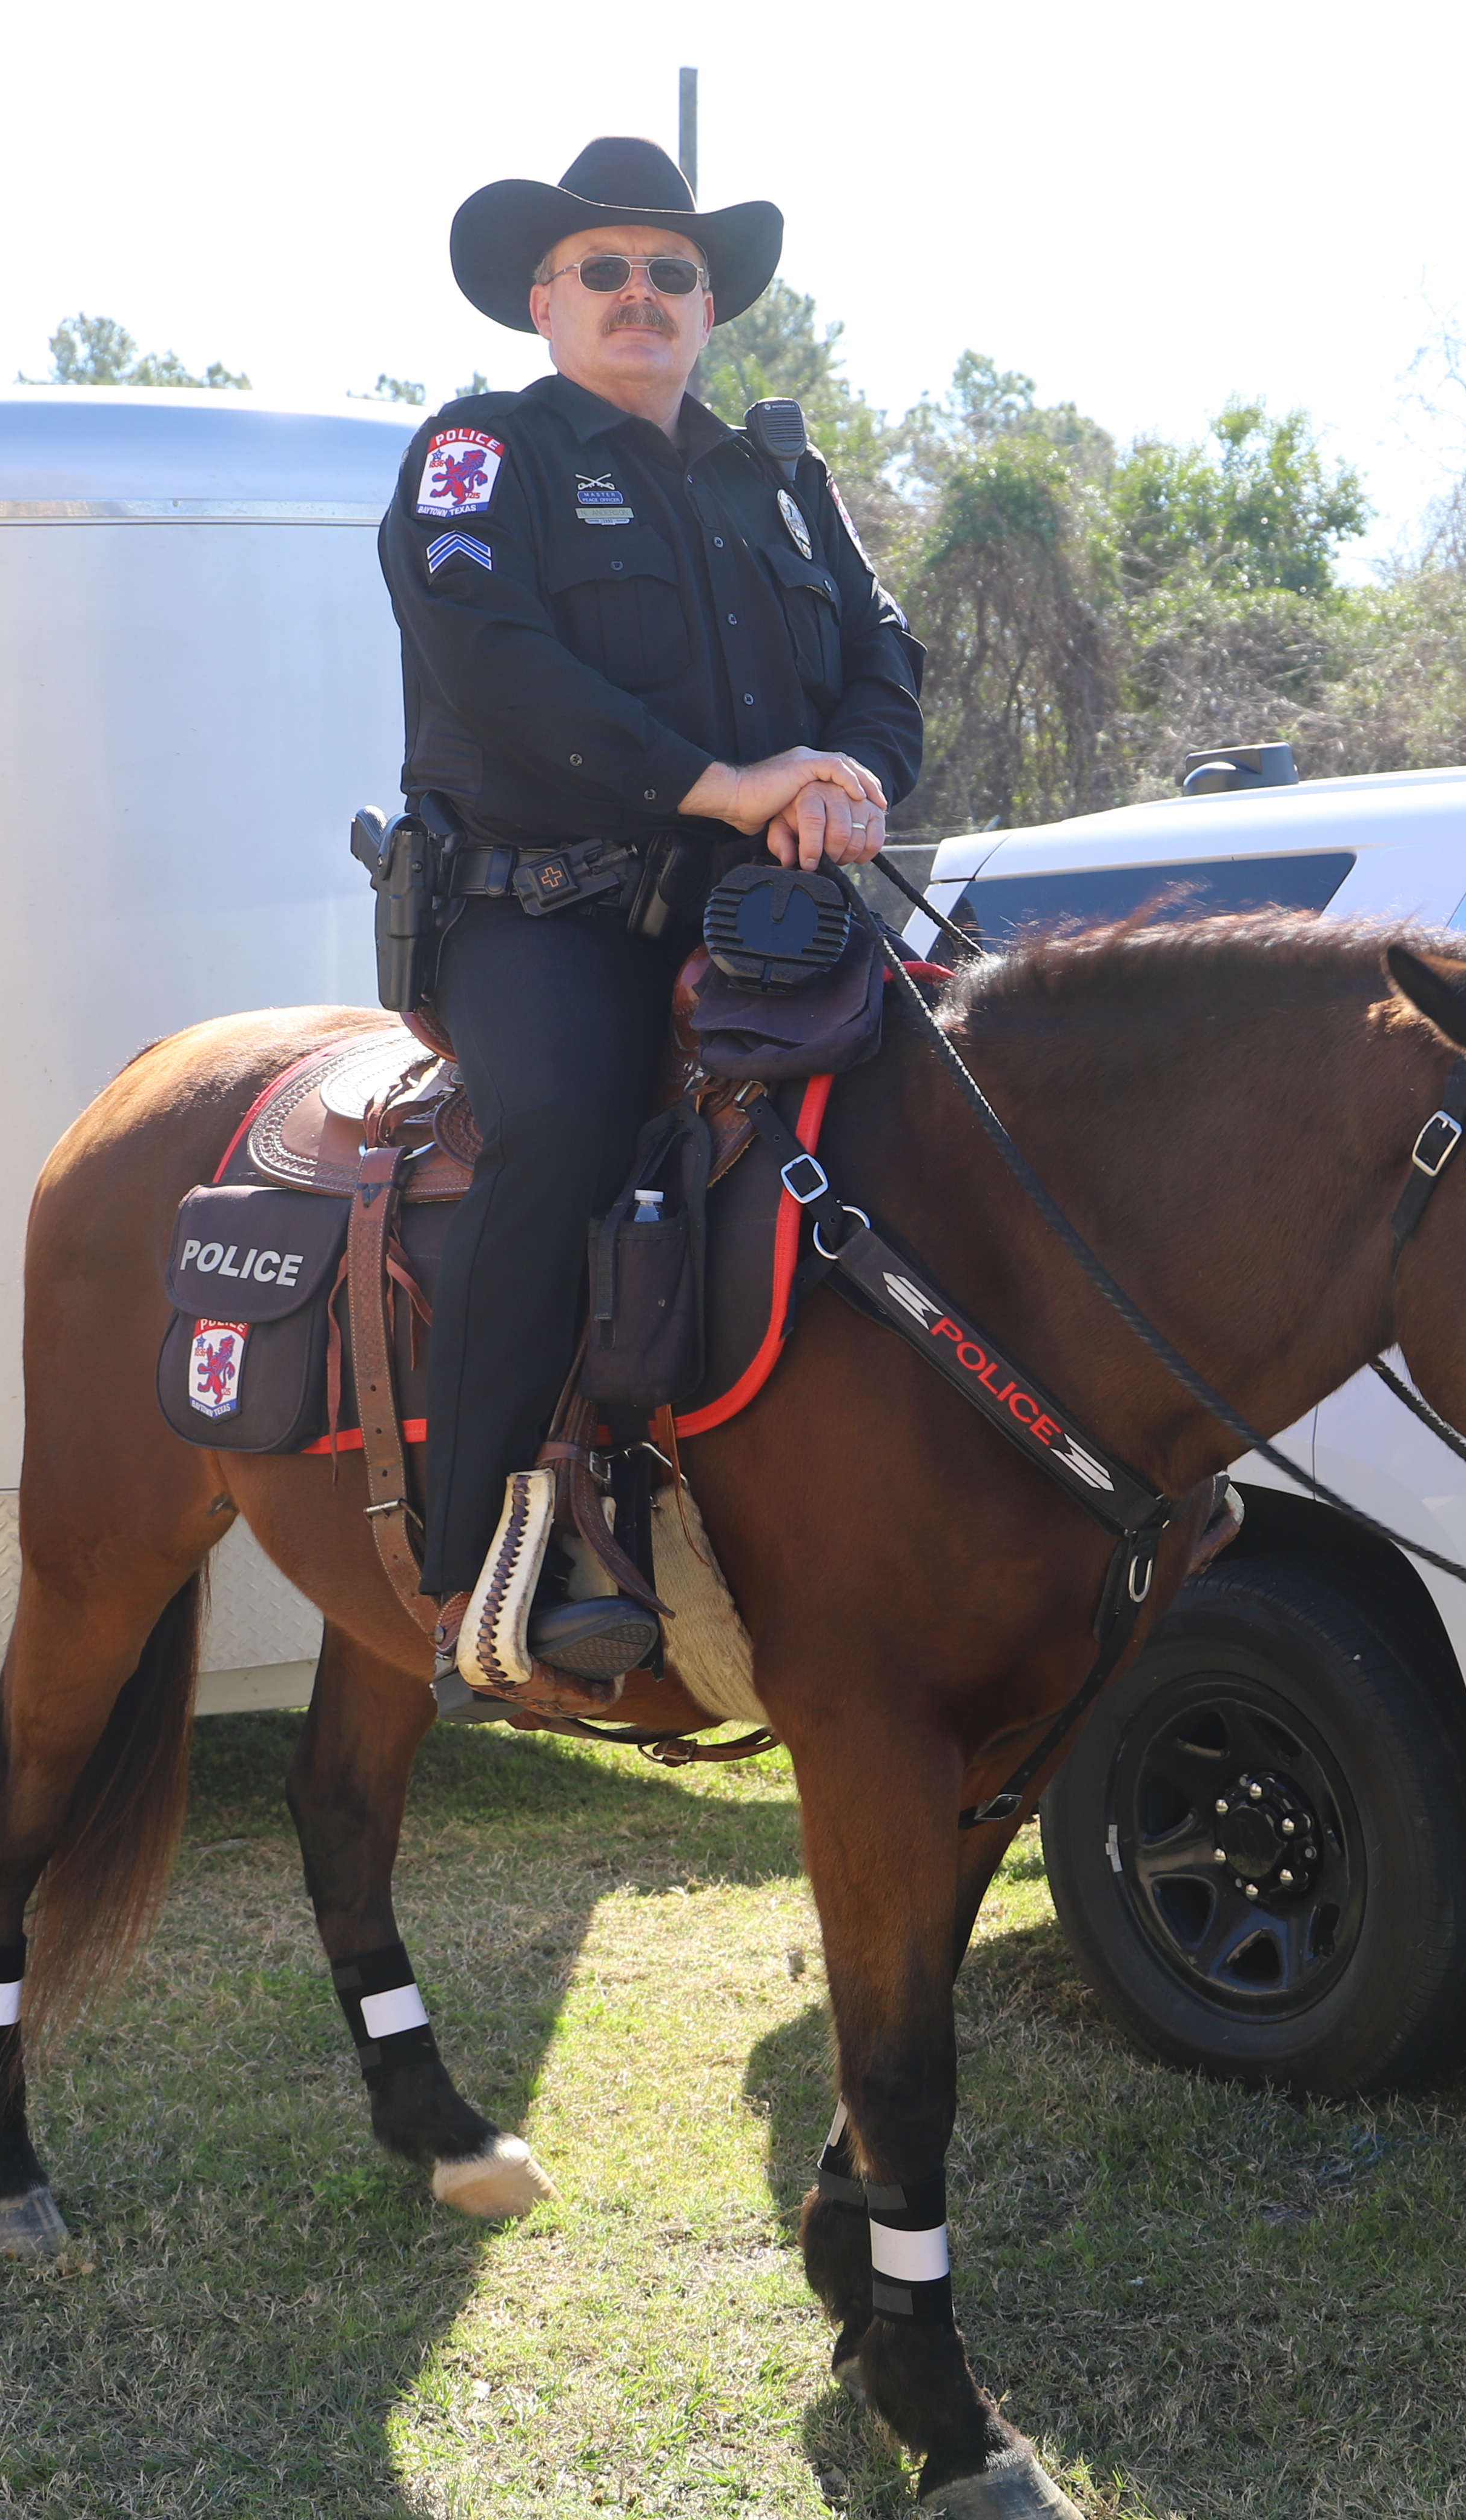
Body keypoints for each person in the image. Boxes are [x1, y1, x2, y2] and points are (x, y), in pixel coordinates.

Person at [382, 135, 924, 1692]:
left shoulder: (783, 481)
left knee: (978, 1103)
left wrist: (844, 786)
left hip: (778, 912)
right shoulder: (482, 455)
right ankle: (475, 1557)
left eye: (672, 273)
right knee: (559, 1126)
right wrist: (723, 782)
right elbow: (494, 660)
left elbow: (885, 661)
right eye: (604, 270)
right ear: (543, 304)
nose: (643, 295)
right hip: (550, 916)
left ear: (709, 308)